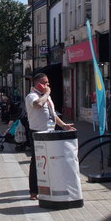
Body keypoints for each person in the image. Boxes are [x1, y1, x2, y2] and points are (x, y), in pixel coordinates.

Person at [26, 72, 75, 200]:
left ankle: (49, 185)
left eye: (48, 82)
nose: (48, 85)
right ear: (38, 84)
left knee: (52, 160)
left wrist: (64, 125)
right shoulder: (32, 96)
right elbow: (38, 104)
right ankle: (33, 190)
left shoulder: (47, 97)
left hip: (50, 132)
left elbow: (53, 114)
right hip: (38, 132)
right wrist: (47, 93)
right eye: (45, 83)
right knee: (37, 161)